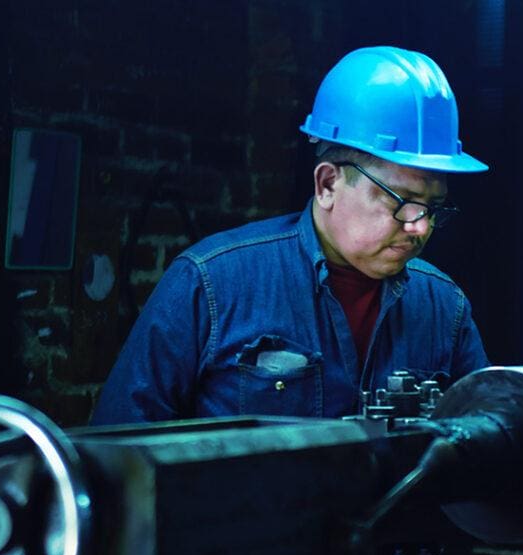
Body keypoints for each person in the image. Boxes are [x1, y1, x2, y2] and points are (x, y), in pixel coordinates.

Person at [90, 46, 490, 424]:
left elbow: (483, 452)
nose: (420, 225)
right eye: (402, 201)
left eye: (433, 207)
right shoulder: (211, 284)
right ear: (328, 184)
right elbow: (118, 451)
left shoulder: (444, 308)